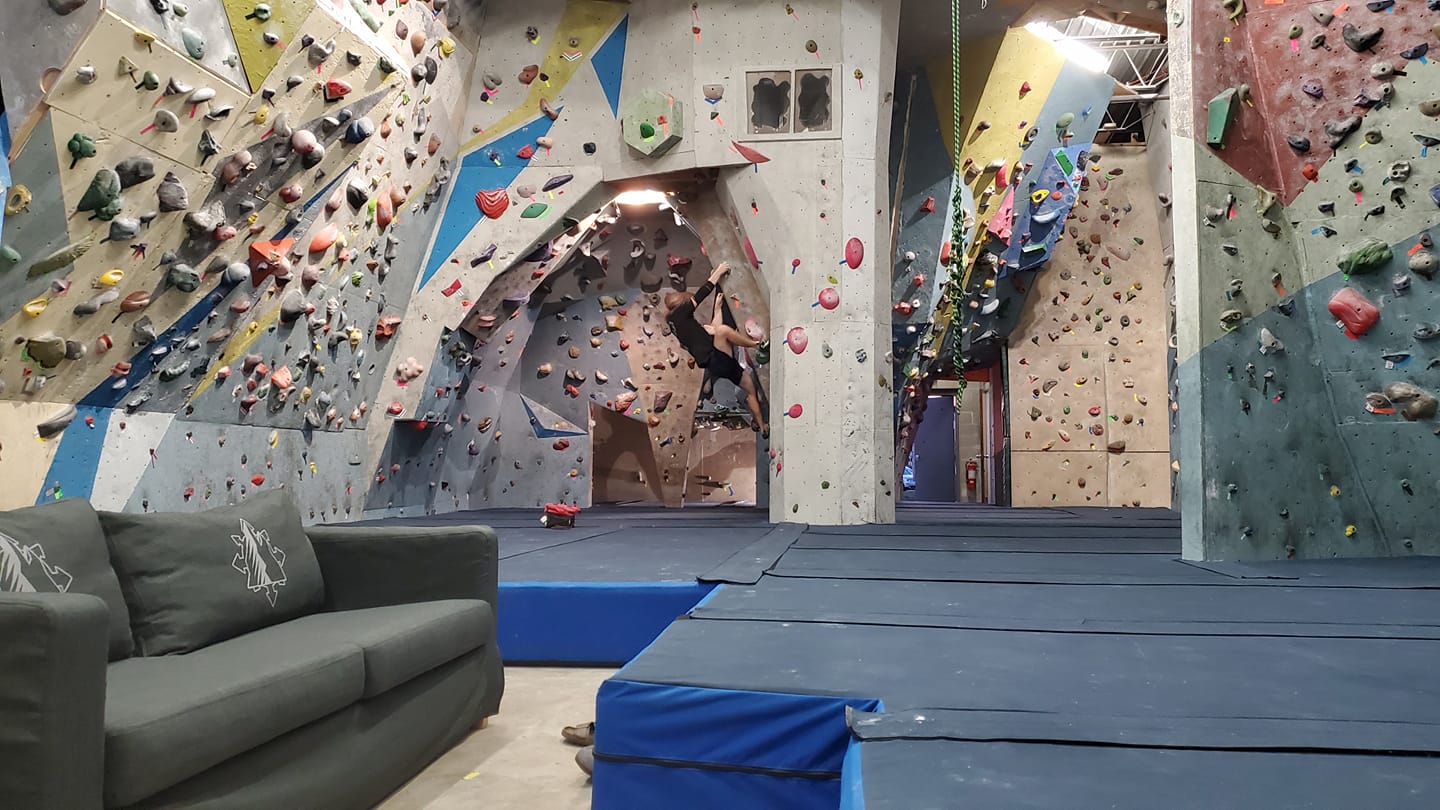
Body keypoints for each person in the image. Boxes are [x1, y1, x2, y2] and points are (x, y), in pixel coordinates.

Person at [664, 261, 769, 435]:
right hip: (715, 358)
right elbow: (702, 293)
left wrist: (718, 308)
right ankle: (757, 344)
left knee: (750, 390)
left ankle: (762, 425)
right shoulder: (680, 313)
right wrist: (718, 272)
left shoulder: (676, 324)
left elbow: (711, 331)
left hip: (716, 364)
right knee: (723, 331)